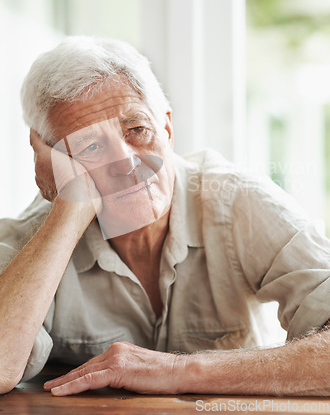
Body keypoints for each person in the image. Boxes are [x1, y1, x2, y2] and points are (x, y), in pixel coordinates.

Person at [1, 36, 330, 397]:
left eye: (137, 130)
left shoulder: (237, 201)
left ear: (168, 130)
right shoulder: (31, 237)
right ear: (53, 163)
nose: (126, 163)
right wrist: (70, 209)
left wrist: (180, 370)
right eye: (89, 146)